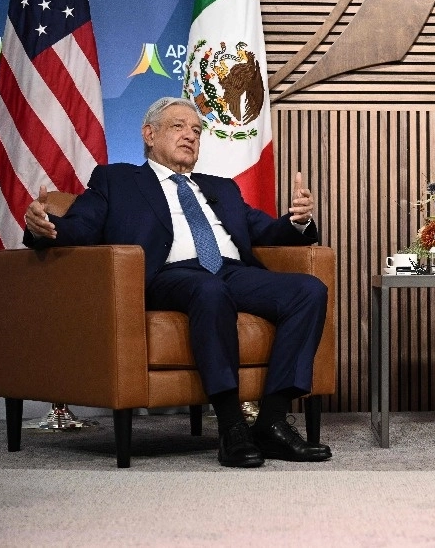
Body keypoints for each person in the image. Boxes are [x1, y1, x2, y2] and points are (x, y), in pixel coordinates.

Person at [23, 96, 332, 468]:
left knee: (308, 290)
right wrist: (43, 227)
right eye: (179, 127)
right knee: (209, 289)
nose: (191, 136)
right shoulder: (118, 180)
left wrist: (298, 220)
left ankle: (272, 422)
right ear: (149, 134)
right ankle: (233, 426)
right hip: (170, 275)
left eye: (197, 131)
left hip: (232, 271)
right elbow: (82, 227)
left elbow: (265, 230)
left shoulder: (222, 188)